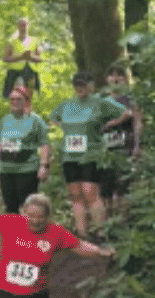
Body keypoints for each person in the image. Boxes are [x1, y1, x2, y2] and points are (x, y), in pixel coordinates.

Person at [48, 70, 113, 239]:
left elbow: (125, 113)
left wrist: (103, 126)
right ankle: (81, 234)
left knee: (90, 191)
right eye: (77, 84)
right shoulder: (66, 104)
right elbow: (53, 119)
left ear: (91, 85)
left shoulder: (100, 103)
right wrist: (68, 128)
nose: (80, 87)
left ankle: (101, 232)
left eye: (83, 84)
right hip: (70, 154)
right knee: (75, 194)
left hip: (90, 153)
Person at [0, 83, 51, 214]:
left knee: (28, 208)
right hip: (6, 170)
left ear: (26, 101)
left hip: (27, 170)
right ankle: (14, 234)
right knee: (10, 208)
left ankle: (28, 234)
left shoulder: (35, 120)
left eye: (18, 99)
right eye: (12, 99)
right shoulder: (5, 120)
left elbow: (44, 144)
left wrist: (44, 166)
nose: (15, 102)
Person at [98, 62, 143, 219]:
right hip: (106, 150)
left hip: (126, 145)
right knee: (105, 189)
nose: (115, 78)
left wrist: (138, 145)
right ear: (107, 79)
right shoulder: (101, 100)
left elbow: (138, 122)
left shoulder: (131, 99)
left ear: (125, 78)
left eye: (119, 75)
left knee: (124, 185)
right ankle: (108, 226)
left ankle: (124, 223)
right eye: (112, 75)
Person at [1, 18, 43, 98]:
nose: (23, 27)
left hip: (30, 72)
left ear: (28, 26)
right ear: (18, 27)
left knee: (31, 95)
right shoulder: (12, 41)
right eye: (21, 25)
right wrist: (20, 58)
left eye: (25, 25)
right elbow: (5, 58)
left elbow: (39, 59)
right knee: (11, 95)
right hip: (14, 72)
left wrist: (31, 57)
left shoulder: (35, 40)